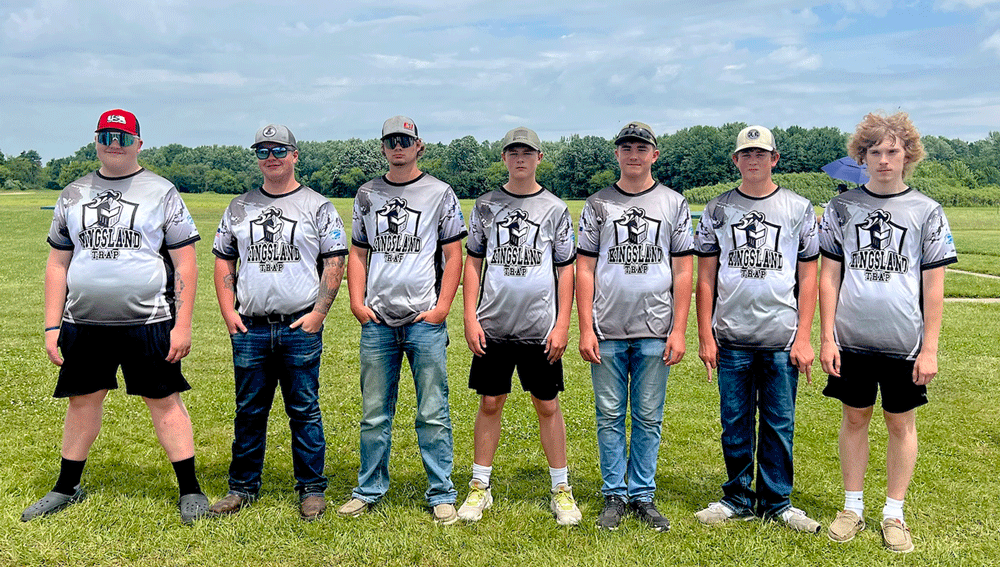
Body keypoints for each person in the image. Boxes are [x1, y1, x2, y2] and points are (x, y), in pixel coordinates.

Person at [23, 109, 209, 524]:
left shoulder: (161, 191)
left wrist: (182, 324)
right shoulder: (73, 194)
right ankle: (66, 487)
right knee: (82, 401)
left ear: (138, 144)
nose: (114, 143)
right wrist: (52, 325)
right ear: (96, 140)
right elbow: (57, 263)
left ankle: (190, 490)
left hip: (149, 320)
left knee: (164, 401)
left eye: (123, 137)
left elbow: (186, 262)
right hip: (84, 321)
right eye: (106, 135)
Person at [819, 112, 957, 553]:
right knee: (854, 418)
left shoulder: (927, 211)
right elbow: (829, 276)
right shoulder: (842, 208)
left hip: (904, 341)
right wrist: (827, 337)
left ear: (907, 155)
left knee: (901, 422)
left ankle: (894, 513)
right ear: (861, 157)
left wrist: (930, 348)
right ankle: (852, 508)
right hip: (851, 339)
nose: (883, 160)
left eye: (892, 151)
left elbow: (934, 285)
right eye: (874, 151)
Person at [209, 124, 347, 521]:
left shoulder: (317, 206)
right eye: (263, 151)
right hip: (250, 327)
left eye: (279, 150)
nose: (271, 157)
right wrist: (228, 311)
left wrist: (319, 313)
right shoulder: (239, 207)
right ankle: (242, 487)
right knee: (249, 410)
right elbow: (224, 258)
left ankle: (312, 489)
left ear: (294, 155)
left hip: (297, 326)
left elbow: (335, 259)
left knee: (304, 410)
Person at [692, 125, 821, 532]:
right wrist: (706, 335)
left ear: (774, 159)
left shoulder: (798, 208)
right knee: (735, 423)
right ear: (736, 160)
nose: (753, 160)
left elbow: (809, 277)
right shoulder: (718, 209)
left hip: (781, 336)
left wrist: (804, 337)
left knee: (779, 423)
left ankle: (777, 501)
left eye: (761, 153)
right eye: (746, 154)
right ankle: (736, 497)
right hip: (731, 336)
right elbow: (705, 277)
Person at [339, 116, 466, 524]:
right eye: (391, 141)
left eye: (405, 141)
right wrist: (357, 303)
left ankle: (441, 492)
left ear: (418, 146)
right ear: (383, 147)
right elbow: (358, 252)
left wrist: (442, 308)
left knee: (433, 411)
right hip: (378, 320)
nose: (398, 147)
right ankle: (368, 489)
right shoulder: (367, 194)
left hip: (424, 319)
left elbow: (453, 255)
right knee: (374, 412)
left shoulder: (439, 193)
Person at [456, 127, 581, 525]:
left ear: (539, 157)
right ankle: (480, 485)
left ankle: (561, 488)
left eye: (527, 152)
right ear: (505, 158)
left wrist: (562, 324)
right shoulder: (486, 205)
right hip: (493, 324)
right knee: (490, 402)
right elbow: (473, 262)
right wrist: (470, 316)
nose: (520, 158)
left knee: (547, 404)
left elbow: (566, 270)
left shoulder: (555, 208)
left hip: (539, 327)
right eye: (513, 152)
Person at [577, 122, 694, 532]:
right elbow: (585, 268)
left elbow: (683, 270)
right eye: (626, 147)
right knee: (609, 415)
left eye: (641, 148)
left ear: (654, 155)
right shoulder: (598, 204)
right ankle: (614, 494)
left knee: (647, 416)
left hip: (655, 327)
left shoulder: (673, 203)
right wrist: (586, 327)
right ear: (617, 154)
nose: (633, 154)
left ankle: (642, 494)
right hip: (607, 327)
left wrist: (679, 329)